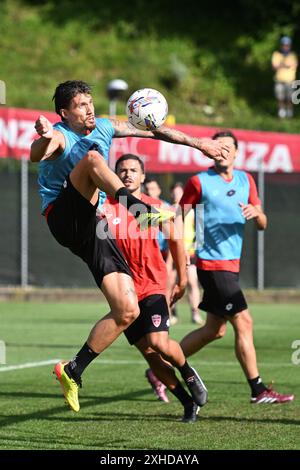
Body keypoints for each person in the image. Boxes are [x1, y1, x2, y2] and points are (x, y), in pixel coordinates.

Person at [30, 80, 229, 412]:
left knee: (127, 309)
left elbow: (153, 131)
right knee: (93, 160)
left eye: (90, 102)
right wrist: (44, 136)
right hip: (62, 217)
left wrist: (199, 144)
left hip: (93, 226)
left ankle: (73, 370)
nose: (90, 108)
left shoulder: (106, 126)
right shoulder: (61, 134)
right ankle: (138, 209)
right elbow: (40, 153)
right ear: (65, 113)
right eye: (81, 105)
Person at [178, 130, 294, 404]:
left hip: (232, 265)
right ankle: (258, 389)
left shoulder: (246, 180)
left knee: (214, 330)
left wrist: (258, 215)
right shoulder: (199, 182)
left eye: (228, 147)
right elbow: (179, 215)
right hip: (211, 263)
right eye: (217, 146)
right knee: (244, 321)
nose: (222, 150)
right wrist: (182, 251)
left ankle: (160, 364)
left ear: (237, 152)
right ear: (209, 151)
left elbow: (263, 223)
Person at [103, 154, 208, 422]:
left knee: (157, 342)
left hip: (153, 285)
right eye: (122, 170)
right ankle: (187, 403)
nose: (127, 174)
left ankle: (187, 371)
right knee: (150, 355)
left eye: (133, 170)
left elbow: (175, 238)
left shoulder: (151, 206)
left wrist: (182, 280)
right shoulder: (107, 209)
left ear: (142, 175)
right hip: (125, 292)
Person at [168, 182, 204, 326]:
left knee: (192, 282)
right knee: (170, 283)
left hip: (189, 253)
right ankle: (170, 314)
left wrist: (192, 249)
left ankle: (195, 313)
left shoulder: (194, 211)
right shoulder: (168, 209)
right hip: (172, 253)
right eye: (174, 193)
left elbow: (200, 235)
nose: (177, 195)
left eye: (179, 192)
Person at [271, 36, 298, 118]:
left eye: (287, 45)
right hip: (279, 80)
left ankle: (289, 112)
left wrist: (281, 65)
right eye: (284, 45)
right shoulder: (276, 54)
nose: (285, 47)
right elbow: (274, 66)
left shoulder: (293, 55)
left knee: (290, 98)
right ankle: (281, 112)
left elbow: (293, 65)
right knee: (280, 97)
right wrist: (284, 65)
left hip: (290, 80)